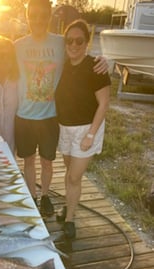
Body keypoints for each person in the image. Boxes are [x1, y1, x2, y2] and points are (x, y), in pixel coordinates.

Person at [14, 0, 108, 217]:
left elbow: (81, 56)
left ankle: (45, 195)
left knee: (47, 163)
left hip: (50, 117)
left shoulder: (60, 43)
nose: (37, 20)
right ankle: (32, 197)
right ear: (27, 16)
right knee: (28, 161)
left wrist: (105, 60)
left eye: (42, 15)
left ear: (49, 17)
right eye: (33, 15)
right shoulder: (17, 45)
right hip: (24, 116)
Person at [55, 19, 111, 238]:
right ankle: (68, 207)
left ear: (87, 42)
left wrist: (90, 135)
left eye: (79, 40)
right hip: (65, 129)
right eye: (69, 40)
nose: (74, 45)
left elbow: (104, 103)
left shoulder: (95, 67)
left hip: (87, 129)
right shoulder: (63, 65)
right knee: (69, 173)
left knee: (74, 178)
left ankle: (70, 221)